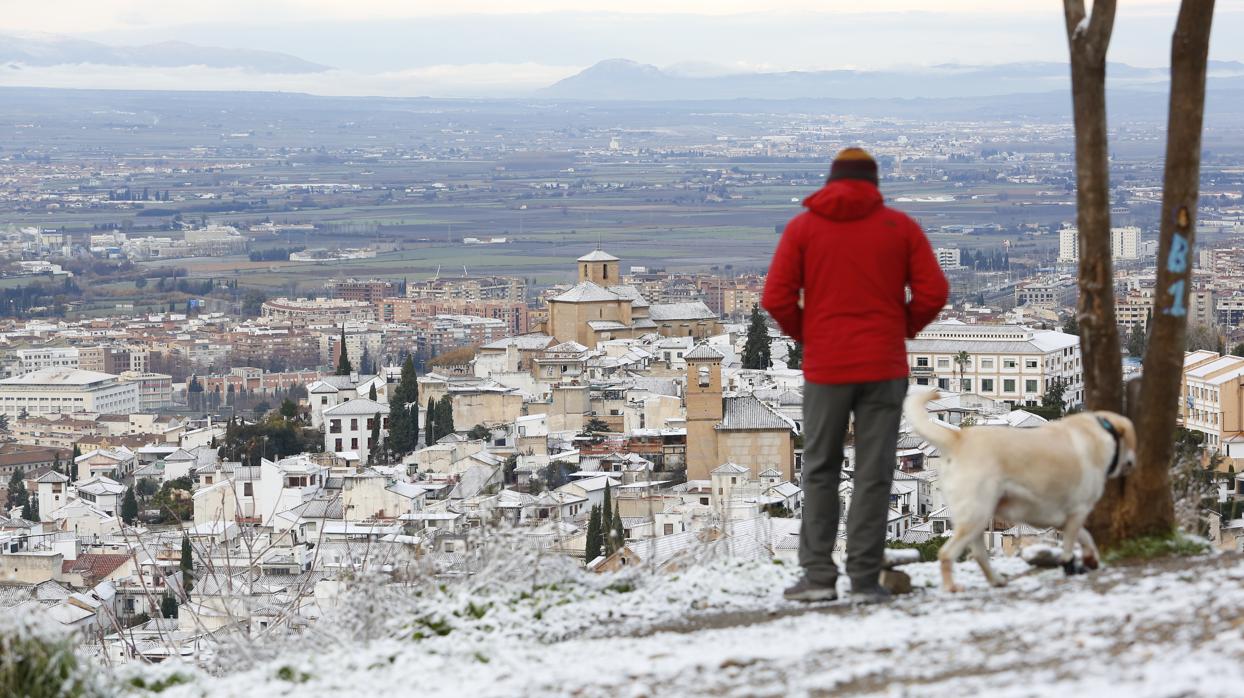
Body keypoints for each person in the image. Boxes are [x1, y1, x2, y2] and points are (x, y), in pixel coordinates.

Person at [762, 147, 948, 603]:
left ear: (831, 181)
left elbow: (776, 297)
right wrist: (900, 326)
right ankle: (865, 578)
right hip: (883, 366)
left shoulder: (804, 228)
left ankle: (819, 577)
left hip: (827, 368)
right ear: (874, 183)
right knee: (874, 471)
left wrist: (810, 334)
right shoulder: (899, 228)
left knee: (821, 468)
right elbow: (934, 291)